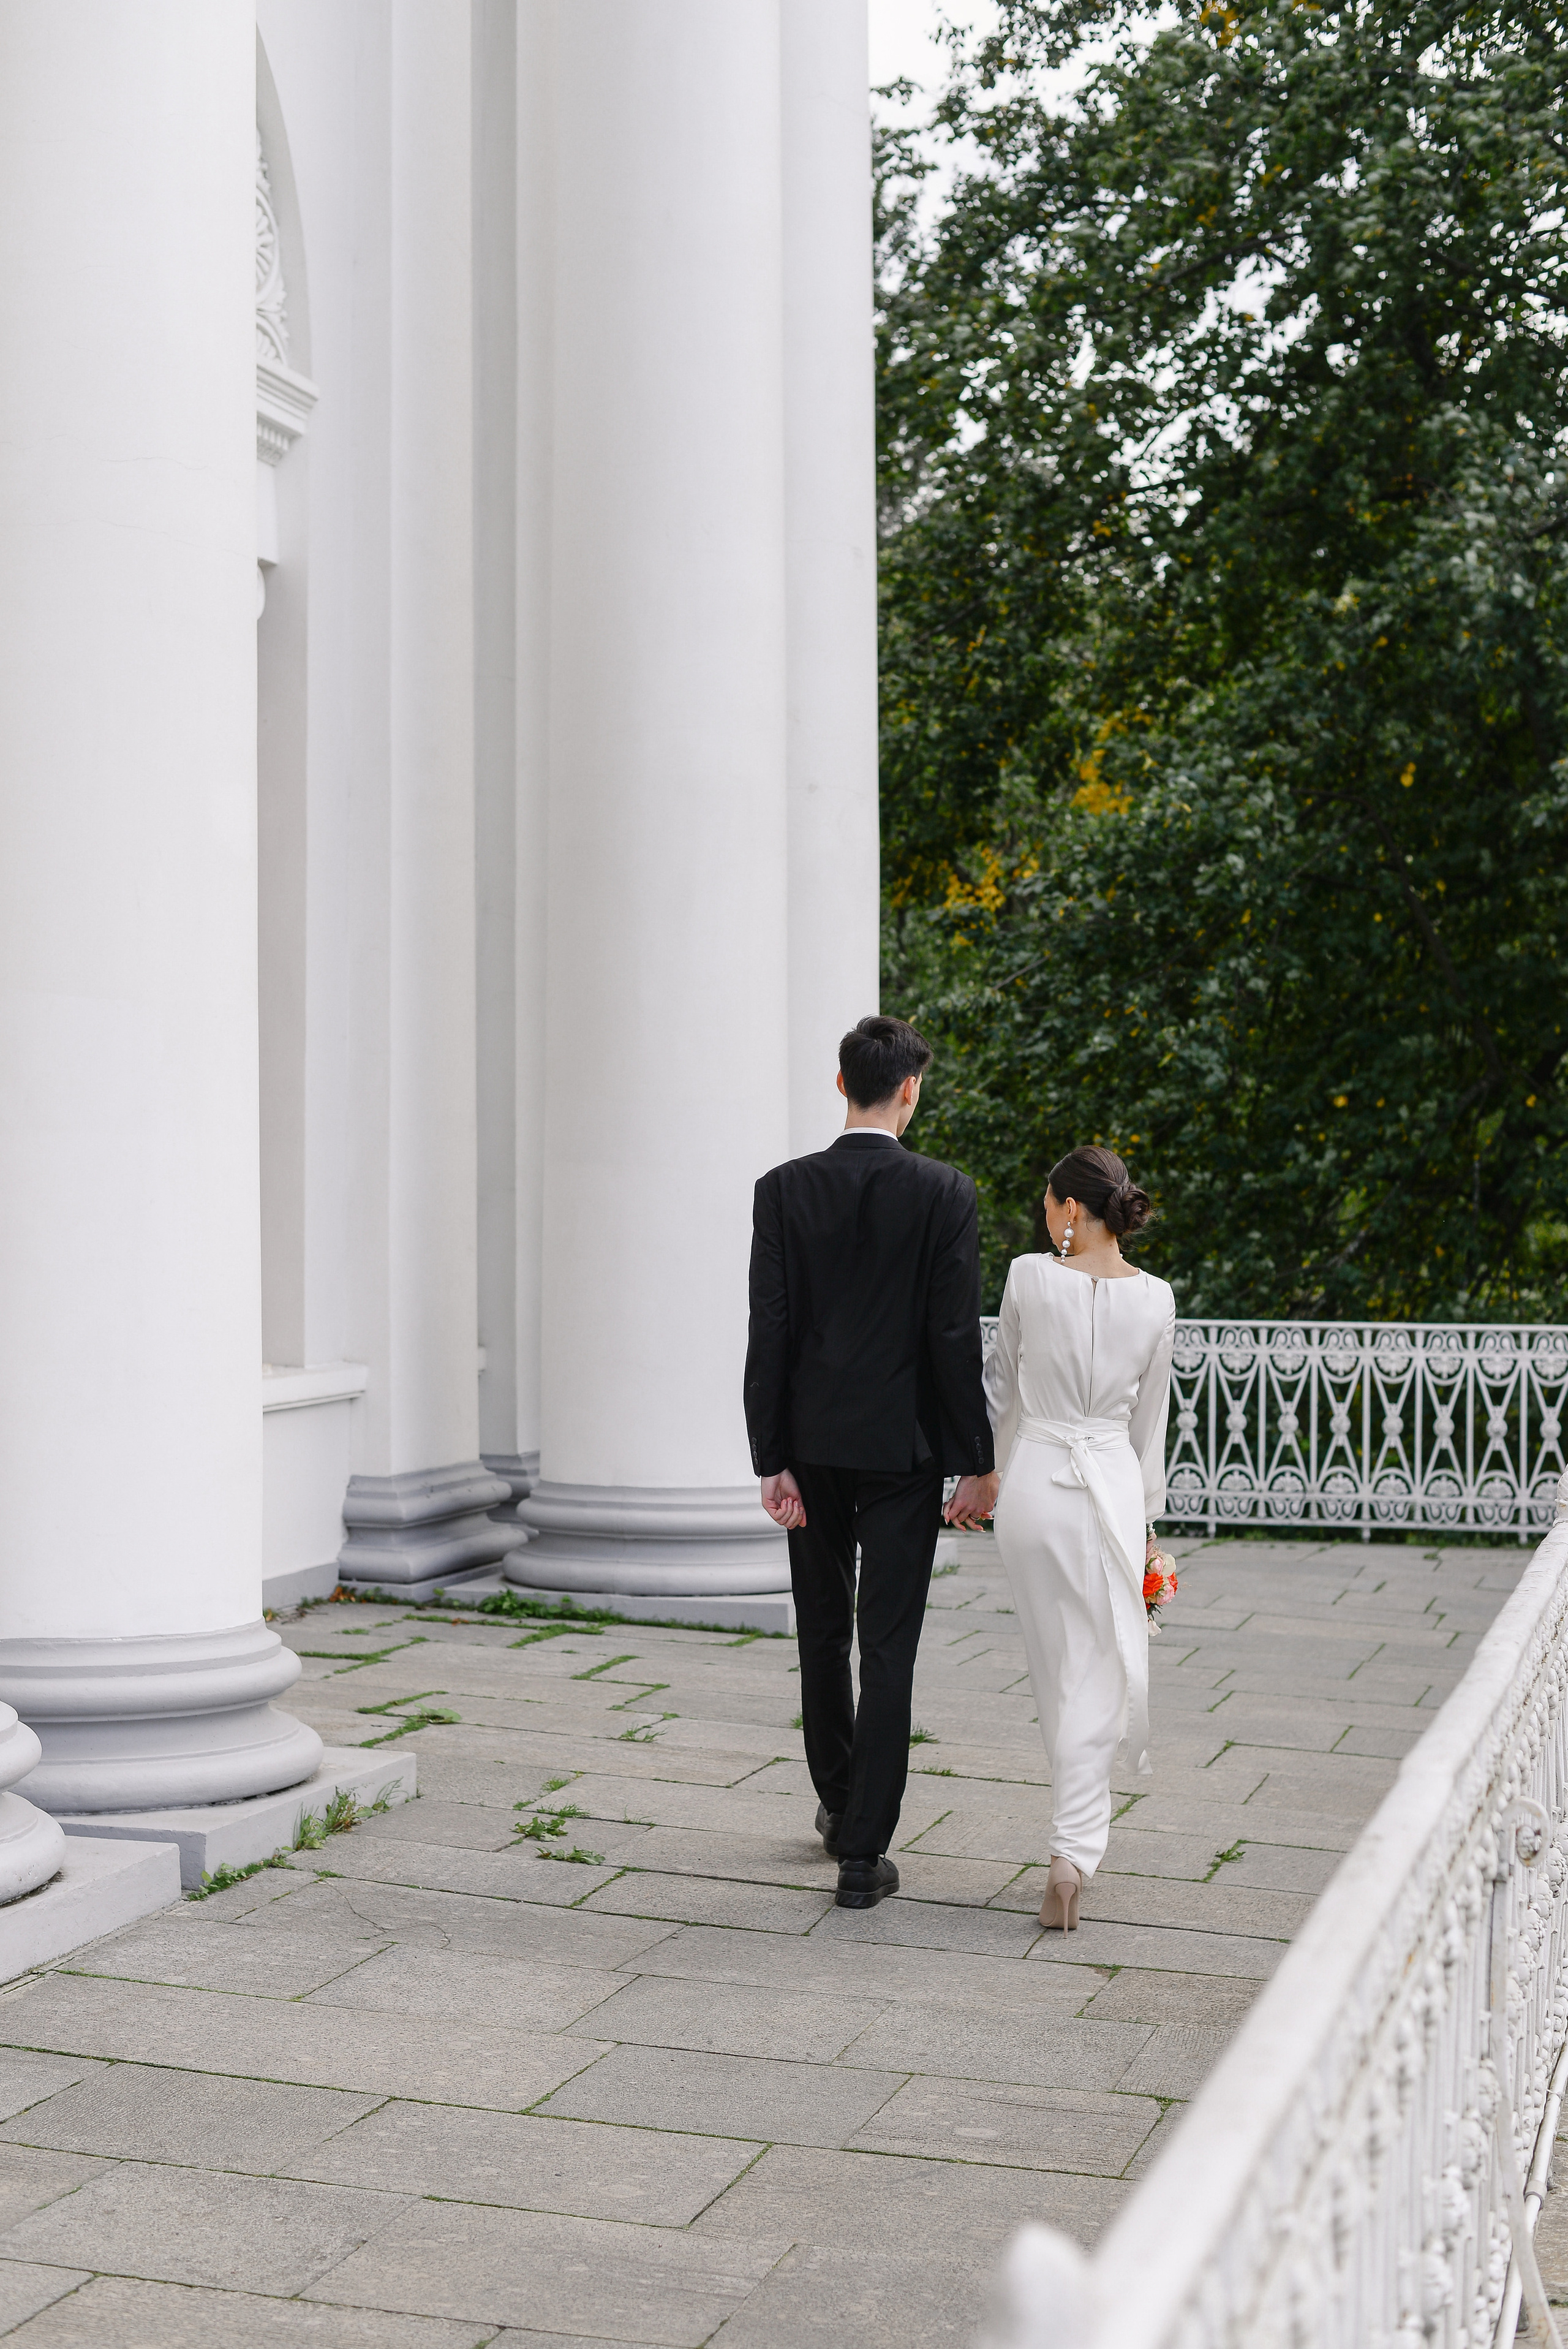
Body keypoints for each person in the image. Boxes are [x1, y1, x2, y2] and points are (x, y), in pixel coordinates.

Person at [744, 1015, 998, 1909]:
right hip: (901, 1450)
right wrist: (975, 1460)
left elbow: (769, 1331)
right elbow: (952, 1337)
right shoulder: (945, 1192)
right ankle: (863, 1853)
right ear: (910, 1090)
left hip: (811, 1446)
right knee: (888, 1644)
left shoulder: (782, 1190)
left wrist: (770, 1456)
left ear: (840, 1083)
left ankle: (838, 1798)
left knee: (821, 1629)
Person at [984, 1144, 1175, 1932]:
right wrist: (1149, 1525)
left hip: (1034, 1487)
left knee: (1057, 1669)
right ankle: (1070, 1854)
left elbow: (1001, 1392)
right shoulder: (1157, 1298)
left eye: (1045, 1203)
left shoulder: (1028, 1277)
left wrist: (985, 1477)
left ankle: (1071, 1843)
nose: (1043, 1216)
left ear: (1070, 1209)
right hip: (1111, 1487)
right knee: (1099, 1670)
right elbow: (1148, 1425)